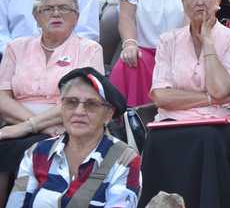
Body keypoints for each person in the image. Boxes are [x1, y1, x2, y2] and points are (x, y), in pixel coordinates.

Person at [139, 0, 230, 208]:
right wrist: (211, 99)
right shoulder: (168, 40)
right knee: (157, 139)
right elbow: (161, 96)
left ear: (218, 0)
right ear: (183, 3)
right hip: (173, 120)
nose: (200, 2)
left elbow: (221, 88)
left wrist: (208, 41)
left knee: (207, 137)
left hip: (222, 122)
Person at [0, 0, 104, 206]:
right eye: (48, 9)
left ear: (76, 17)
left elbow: (83, 97)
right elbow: (2, 97)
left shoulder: (89, 49)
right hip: (19, 124)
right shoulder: (16, 48)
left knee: (27, 146)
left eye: (64, 8)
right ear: (37, 17)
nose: (56, 14)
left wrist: (28, 126)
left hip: (66, 125)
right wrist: (36, 125)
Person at [7, 67, 140, 207]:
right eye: (71, 102)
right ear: (62, 108)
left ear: (108, 115)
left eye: (91, 104)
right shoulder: (37, 152)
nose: (79, 111)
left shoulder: (125, 159)